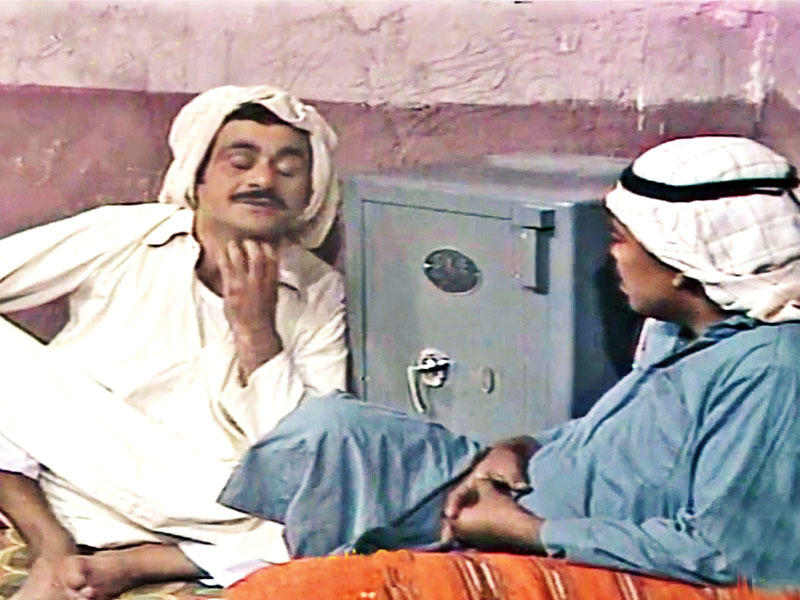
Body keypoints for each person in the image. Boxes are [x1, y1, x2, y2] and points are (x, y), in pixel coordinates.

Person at [220, 136, 800, 587]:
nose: (612, 257)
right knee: (330, 428)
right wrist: (517, 447)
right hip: (515, 484)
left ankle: (317, 572)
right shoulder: (679, 331)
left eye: (621, 239)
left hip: (540, 530)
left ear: (683, 261)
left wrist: (527, 532)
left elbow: (732, 553)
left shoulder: (770, 371)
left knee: (306, 576)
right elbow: (615, 443)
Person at [0, 85, 347, 599]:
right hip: (79, 463)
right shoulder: (126, 234)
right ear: (198, 176)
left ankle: (135, 564)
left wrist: (256, 330)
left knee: (339, 515)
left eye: (288, 169)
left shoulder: (317, 288)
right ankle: (52, 547)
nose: (262, 180)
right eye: (240, 162)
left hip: (211, 503)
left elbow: (305, 451)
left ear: (308, 193)